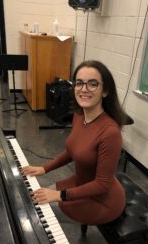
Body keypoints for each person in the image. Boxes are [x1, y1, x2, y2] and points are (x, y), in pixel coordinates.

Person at [21, 60, 126, 225]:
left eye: (92, 84)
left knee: (36, 212)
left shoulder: (110, 132)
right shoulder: (79, 115)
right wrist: (44, 168)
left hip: (103, 201)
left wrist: (60, 195)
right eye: (79, 83)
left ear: (105, 91)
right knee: (33, 196)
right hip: (81, 183)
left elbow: (102, 185)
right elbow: (72, 151)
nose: (84, 89)